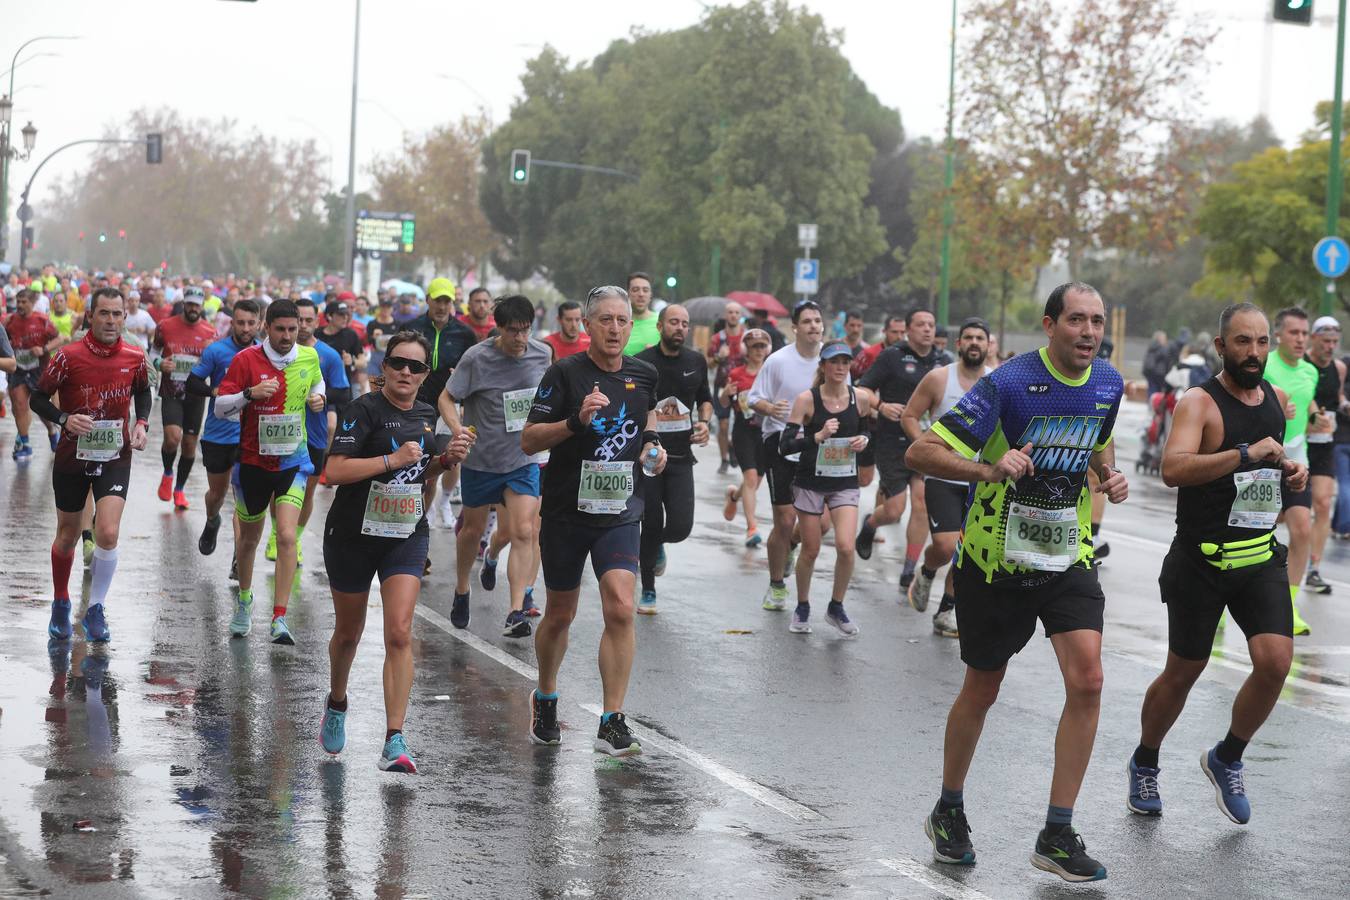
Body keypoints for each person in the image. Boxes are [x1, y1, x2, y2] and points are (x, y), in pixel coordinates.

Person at [906, 282, 1127, 883]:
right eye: (1076, 320)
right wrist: (987, 466)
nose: (1088, 332)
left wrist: (1108, 475)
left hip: (1067, 558)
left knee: (1089, 679)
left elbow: (1098, 441)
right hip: (996, 561)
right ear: (1049, 324)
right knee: (983, 688)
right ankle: (948, 808)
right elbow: (922, 453)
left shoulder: (1108, 383)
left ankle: (1057, 832)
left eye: (1097, 322)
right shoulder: (1006, 384)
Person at [1129, 302, 1303, 827]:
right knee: (1185, 671)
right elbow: (1173, 468)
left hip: (1258, 554)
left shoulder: (1274, 398)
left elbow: (1266, 464)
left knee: (1275, 662)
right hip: (1201, 561)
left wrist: (1286, 468)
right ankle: (1145, 760)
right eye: (1243, 342)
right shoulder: (1199, 402)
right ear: (1220, 346)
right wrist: (1246, 454)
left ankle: (1227, 756)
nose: (1254, 352)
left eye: (1262, 342)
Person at [320, 331, 475, 774]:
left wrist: (444, 461)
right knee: (348, 634)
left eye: (416, 367)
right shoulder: (362, 411)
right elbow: (334, 470)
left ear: (425, 375)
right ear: (384, 368)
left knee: (400, 633)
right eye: (399, 364)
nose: (407, 372)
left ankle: (394, 737)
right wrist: (390, 461)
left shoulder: (427, 415)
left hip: (405, 534)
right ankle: (336, 700)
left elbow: (419, 468)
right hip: (352, 535)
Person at [521, 284, 663, 756]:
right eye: (605, 319)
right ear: (587, 325)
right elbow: (529, 440)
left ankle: (612, 719)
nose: (615, 328)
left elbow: (648, 425)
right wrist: (576, 423)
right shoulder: (563, 373)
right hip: (565, 510)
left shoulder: (643, 375)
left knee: (621, 606)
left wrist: (652, 449)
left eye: (622, 320)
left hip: (621, 509)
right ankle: (545, 696)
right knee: (560, 613)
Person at [31, 287, 152, 643]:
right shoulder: (67, 356)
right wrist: (64, 418)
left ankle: (96, 608)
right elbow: (38, 397)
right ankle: (61, 601)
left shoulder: (134, 355)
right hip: (72, 457)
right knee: (68, 536)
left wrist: (141, 423)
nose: (111, 320)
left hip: (116, 455)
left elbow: (143, 391)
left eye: (117, 314)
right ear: (90, 316)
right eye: (104, 313)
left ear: (124, 317)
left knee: (108, 532)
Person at [214, 300, 327, 645]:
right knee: (248, 540)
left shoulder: (308, 357)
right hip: (252, 465)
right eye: (280, 329)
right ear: (266, 327)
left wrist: (318, 399)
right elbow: (220, 407)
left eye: (293, 330)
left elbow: (318, 383)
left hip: (293, 463)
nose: (287, 336)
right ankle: (245, 602)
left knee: (288, 536)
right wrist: (249, 394)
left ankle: (279, 617)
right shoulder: (245, 360)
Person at [441, 295, 552, 637]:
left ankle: (516, 611)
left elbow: (549, 396)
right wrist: (458, 429)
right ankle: (462, 589)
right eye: (512, 332)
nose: (520, 339)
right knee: (472, 531)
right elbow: (446, 397)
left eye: (525, 330)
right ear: (498, 328)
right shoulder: (477, 358)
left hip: (523, 458)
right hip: (482, 459)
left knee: (524, 530)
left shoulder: (542, 353)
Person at [900, 318, 994, 637]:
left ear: (988, 345)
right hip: (942, 477)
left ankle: (946, 610)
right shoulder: (939, 378)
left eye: (980, 338)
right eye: (968, 337)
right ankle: (927, 572)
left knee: (966, 550)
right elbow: (910, 416)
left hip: (981, 480)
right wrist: (924, 449)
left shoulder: (998, 383)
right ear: (958, 344)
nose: (974, 342)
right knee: (946, 545)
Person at [780, 340, 871, 635]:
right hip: (810, 482)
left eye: (845, 363)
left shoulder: (860, 399)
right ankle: (803, 605)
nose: (841, 368)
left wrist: (864, 440)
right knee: (811, 549)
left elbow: (868, 430)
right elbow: (785, 445)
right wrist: (817, 436)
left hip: (844, 482)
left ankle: (836, 606)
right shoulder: (807, 400)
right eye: (835, 362)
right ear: (823, 366)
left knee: (846, 547)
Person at [746, 300, 827, 610]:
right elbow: (754, 399)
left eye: (817, 320)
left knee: (824, 523)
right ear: (795, 327)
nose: (813, 326)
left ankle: (792, 543)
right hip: (780, 440)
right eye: (806, 321)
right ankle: (777, 583)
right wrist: (771, 407)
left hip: (820, 445)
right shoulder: (778, 361)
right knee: (784, 518)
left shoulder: (833, 361)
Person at [857, 308, 942, 595]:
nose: (927, 329)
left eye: (931, 324)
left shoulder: (943, 361)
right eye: (921, 324)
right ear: (908, 329)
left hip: (927, 442)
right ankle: (870, 525)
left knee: (921, 503)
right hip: (892, 442)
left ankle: (908, 570)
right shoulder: (892, 356)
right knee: (894, 510)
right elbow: (862, 390)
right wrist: (881, 406)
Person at [635, 305, 714, 612]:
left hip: (681, 456)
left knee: (681, 527)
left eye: (684, 323)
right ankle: (648, 589)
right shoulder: (643, 363)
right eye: (673, 322)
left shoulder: (696, 361)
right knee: (651, 522)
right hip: (649, 457)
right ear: (659, 326)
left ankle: (656, 545)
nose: (680, 327)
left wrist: (704, 423)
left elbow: (705, 399)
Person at [262, 298, 350, 566]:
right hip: (277, 432)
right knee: (276, 492)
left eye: (308, 320)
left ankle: (295, 538)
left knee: (306, 492)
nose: (302, 326)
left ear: (316, 321)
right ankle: (278, 534)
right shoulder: (273, 352)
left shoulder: (327, 355)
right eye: (298, 320)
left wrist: (317, 396)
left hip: (312, 433)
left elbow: (343, 392)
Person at [187, 300, 261, 566]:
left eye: (250, 323)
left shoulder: (265, 353)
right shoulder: (217, 351)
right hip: (218, 434)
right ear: (232, 323)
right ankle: (211, 519)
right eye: (240, 322)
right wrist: (214, 391)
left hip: (251, 436)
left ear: (259, 323)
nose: (245, 328)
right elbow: (193, 382)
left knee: (242, 497)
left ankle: (238, 557)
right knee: (216, 495)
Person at [405, 278, 478, 543]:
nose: (442, 306)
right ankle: (422, 514)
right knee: (421, 461)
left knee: (450, 457)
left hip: (450, 405)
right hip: (416, 405)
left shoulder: (464, 333)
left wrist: (461, 375)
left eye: (447, 301)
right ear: (428, 300)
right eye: (438, 300)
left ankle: (445, 501)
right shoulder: (412, 328)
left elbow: (474, 369)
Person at [1259, 307, 1317, 635]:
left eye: (1304, 334)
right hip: (1265, 461)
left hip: (1298, 459)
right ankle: (1219, 604)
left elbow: (1308, 405)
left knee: (1302, 530)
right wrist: (1276, 409)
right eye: (1294, 333)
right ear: (1278, 334)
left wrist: (1315, 417)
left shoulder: (1310, 372)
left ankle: (1289, 608)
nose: (1300, 339)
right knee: (1253, 534)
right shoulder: (1265, 365)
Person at [152, 285, 217, 509]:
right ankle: (168, 473)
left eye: (196, 305)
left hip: (195, 395)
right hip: (171, 391)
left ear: (201, 307)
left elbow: (217, 364)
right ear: (183, 304)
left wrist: (212, 352)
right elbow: (152, 353)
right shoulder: (165, 327)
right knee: (172, 438)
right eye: (189, 304)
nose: (192, 308)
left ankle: (179, 489)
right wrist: (161, 364)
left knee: (189, 445)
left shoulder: (210, 332)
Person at [1302, 315, 1344, 593]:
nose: (1330, 347)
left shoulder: (1339, 368)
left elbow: (1337, 397)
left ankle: (1314, 568)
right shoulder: (1303, 365)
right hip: (1299, 442)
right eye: (1326, 341)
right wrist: (1310, 420)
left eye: (1335, 342)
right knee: (1289, 512)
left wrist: (1344, 406)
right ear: (1314, 338)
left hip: (1325, 442)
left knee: (1323, 504)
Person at [720, 328, 773, 548]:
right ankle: (752, 528)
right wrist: (726, 393)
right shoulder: (736, 374)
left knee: (755, 481)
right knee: (750, 478)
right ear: (746, 350)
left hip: (765, 432)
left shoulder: (771, 373)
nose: (759, 351)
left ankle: (734, 496)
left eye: (762, 346)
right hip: (743, 432)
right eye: (754, 347)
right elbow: (724, 404)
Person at [4, 288, 61, 460]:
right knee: (20, 405)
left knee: (41, 409)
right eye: (18, 301)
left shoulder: (42, 320)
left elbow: (60, 338)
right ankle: (25, 444)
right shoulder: (10, 321)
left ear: (32, 303)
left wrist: (43, 349)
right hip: (19, 369)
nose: (20, 305)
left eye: (24, 302)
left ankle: (52, 431)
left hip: (39, 370)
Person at [707, 301, 747, 474]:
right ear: (725, 315)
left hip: (743, 387)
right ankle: (724, 459)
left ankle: (733, 446)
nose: (733, 315)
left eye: (736, 312)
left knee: (741, 424)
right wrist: (718, 357)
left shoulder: (747, 338)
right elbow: (708, 364)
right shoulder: (718, 339)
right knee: (722, 425)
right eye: (730, 312)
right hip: (722, 386)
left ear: (740, 316)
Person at [316, 298, 366, 392]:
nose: (345, 318)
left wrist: (352, 362)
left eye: (346, 314)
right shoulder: (316, 334)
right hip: (318, 386)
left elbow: (363, 362)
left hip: (342, 388)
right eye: (341, 314)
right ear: (329, 316)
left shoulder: (350, 334)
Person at [851, 314, 904, 380]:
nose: (899, 337)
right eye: (894, 332)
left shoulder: (910, 354)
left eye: (902, 332)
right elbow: (852, 378)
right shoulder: (869, 353)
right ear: (884, 331)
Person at [622, 272, 660, 355]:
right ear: (627, 294)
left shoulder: (661, 322)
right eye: (635, 290)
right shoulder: (618, 324)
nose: (641, 294)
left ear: (651, 295)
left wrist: (659, 353)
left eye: (645, 290)